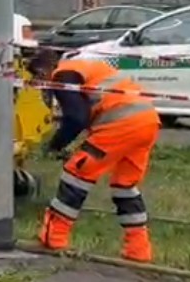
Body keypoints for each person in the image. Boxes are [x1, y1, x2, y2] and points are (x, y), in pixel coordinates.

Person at [37, 56, 160, 264]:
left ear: (43, 71)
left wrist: (55, 145)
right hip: (147, 121)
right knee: (124, 186)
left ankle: (53, 239)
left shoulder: (62, 75)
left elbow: (77, 117)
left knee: (77, 173)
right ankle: (139, 250)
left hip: (120, 124)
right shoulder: (90, 67)